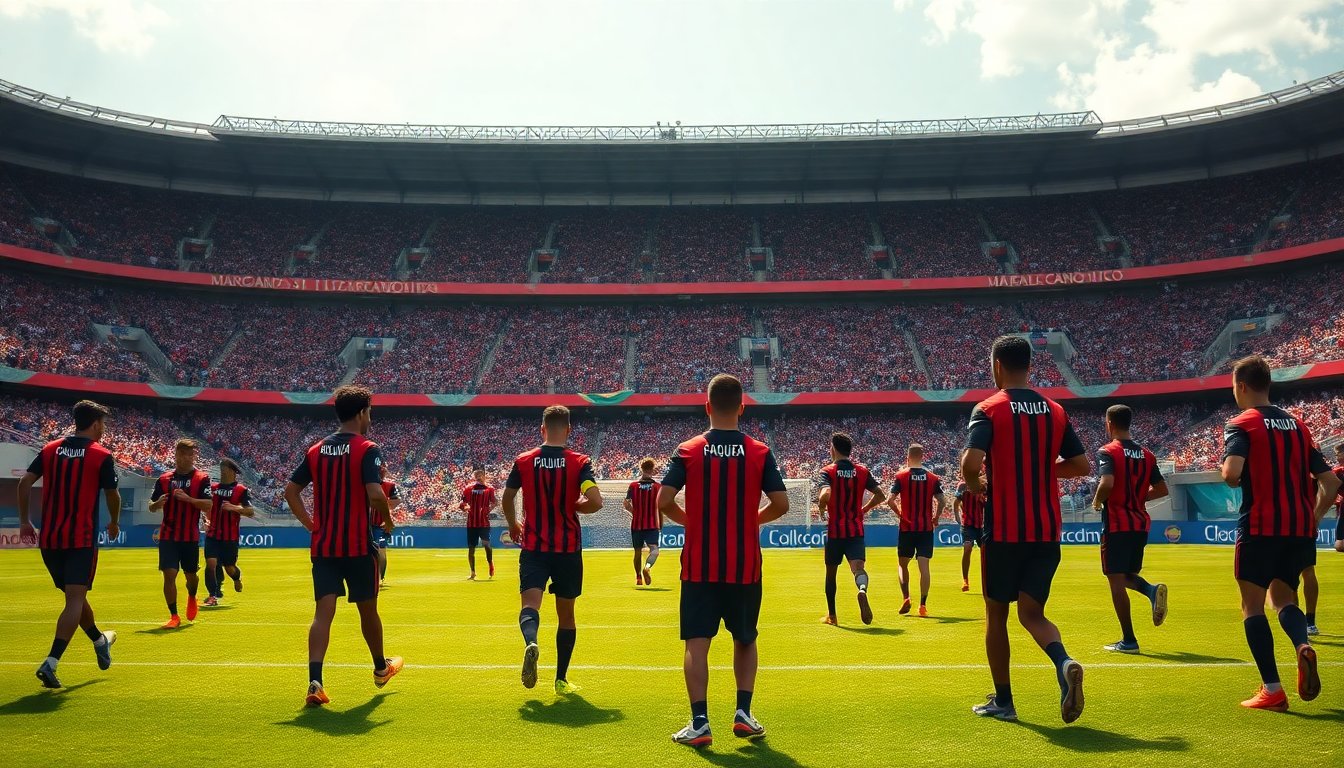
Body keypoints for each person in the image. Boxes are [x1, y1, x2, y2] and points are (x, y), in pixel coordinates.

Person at [962, 335, 1091, 724]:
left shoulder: (988, 408)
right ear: (1029, 365)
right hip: (1046, 530)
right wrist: (1038, 469)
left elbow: (971, 462)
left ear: (997, 365)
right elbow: (1081, 465)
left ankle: (1004, 700)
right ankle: (1063, 661)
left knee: (996, 616)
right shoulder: (1055, 410)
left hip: (1003, 531)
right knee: (1033, 614)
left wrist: (975, 485)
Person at [661, 374, 790, 748]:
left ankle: (700, 722)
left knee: (696, 642)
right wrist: (752, 519)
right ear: (742, 407)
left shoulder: (688, 450)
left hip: (700, 563)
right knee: (745, 639)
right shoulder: (760, 451)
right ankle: (744, 714)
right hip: (744, 563)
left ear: (707, 406)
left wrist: (696, 523)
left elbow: (664, 501)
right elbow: (781, 504)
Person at [1220, 356, 1339, 711]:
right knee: (1285, 601)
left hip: (1259, 527)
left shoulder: (1241, 423)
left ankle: (1272, 689)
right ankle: (1302, 645)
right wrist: (1315, 518)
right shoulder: (1299, 427)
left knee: (1252, 607)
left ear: (1241, 386)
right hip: (1298, 528)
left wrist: (1224, 466)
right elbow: (1330, 483)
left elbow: (1231, 474)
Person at [284, 385, 403, 707]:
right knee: (368, 611)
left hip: (324, 547)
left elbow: (291, 491)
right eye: (371, 412)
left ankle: (315, 681)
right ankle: (381, 667)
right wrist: (388, 522)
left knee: (323, 613)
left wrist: (311, 525)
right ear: (363, 412)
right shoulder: (367, 448)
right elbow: (377, 495)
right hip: (356, 546)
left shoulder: (315, 450)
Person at [17, 400, 120, 689]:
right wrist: (114, 520)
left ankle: (100, 641)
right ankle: (51, 662)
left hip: (50, 538)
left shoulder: (50, 449)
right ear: (96, 423)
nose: (104, 429)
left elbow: (24, 483)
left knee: (75, 598)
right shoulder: (101, 455)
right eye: (103, 423)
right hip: (80, 538)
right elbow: (112, 494)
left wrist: (24, 521)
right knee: (75, 599)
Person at [502, 405, 603, 695]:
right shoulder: (579, 462)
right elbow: (595, 501)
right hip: (567, 548)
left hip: (534, 546)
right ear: (569, 430)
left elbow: (507, 497)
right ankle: (560, 679)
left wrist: (513, 525)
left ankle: (531, 642)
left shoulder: (523, 461)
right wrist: (574, 505)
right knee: (566, 615)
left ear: (542, 429)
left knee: (530, 605)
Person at [1091, 405, 1170, 654]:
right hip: (1139, 524)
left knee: (1115, 581)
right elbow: (1161, 490)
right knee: (1124, 575)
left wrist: (1097, 501)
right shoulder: (1147, 455)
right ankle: (1150, 590)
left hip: (1116, 524)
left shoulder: (1108, 451)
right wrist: (1137, 498)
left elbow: (1107, 483)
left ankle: (1129, 640)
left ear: (1109, 423)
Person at [816, 432, 885, 625]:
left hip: (836, 532)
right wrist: (865, 508)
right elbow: (880, 495)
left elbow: (825, 495)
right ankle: (862, 590)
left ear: (833, 449)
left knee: (831, 574)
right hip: (855, 530)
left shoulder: (827, 471)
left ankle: (832, 616)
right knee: (858, 569)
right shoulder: (862, 471)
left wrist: (822, 508)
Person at [148, 439, 213, 629]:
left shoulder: (202, 479)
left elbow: (208, 504)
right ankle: (174, 616)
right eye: (182, 454)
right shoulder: (164, 479)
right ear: (175, 455)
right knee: (169, 574)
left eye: (190, 454)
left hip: (189, 537)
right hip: (168, 535)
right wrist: (157, 504)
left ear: (194, 456)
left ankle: (192, 596)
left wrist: (189, 499)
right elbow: (152, 506)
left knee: (191, 576)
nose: (186, 458)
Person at [887, 445, 945, 617]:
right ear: (922, 456)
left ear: (908, 457)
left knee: (902, 564)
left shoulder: (901, 476)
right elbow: (942, 501)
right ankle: (922, 606)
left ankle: (906, 597)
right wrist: (936, 518)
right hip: (925, 528)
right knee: (924, 566)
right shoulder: (932, 478)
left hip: (907, 528)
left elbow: (890, 500)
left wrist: (900, 515)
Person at [203, 458, 255, 607]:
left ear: (232, 471)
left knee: (229, 567)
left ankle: (236, 579)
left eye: (224, 469)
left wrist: (234, 508)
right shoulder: (212, 488)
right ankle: (212, 596)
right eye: (221, 470)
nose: (222, 473)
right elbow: (206, 506)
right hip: (212, 535)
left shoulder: (241, 490)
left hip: (229, 537)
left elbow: (250, 511)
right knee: (210, 563)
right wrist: (205, 520)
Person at [625, 458, 663, 587]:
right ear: (652, 470)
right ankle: (647, 567)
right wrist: (660, 523)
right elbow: (661, 506)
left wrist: (635, 513)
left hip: (637, 525)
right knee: (654, 551)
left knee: (637, 552)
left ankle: (638, 578)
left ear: (641, 469)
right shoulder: (658, 487)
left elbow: (626, 503)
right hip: (652, 524)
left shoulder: (633, 486)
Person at [460, 466, 497, 580]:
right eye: (476, 475)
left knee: (486, 545)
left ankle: (490, 563)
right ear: (474, 476)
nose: (478, 477)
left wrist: (488, 510)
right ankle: (472, 573)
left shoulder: (489, 488)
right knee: (471, 548)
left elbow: (495, 502)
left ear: (484, 475)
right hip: (471, 523)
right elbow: (462, 503)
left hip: (484, 523)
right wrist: (465, 508)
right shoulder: (468, 488)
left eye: (480, 474)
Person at [954, 475, 985, 592]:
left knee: (986, 552)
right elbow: (956, 502)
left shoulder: (983, 485)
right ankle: (965, 580)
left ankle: (988, 580)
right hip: (967, 525)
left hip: (980, 526)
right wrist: (957, 518)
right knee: (967, 548)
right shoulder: (962, 485)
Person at [372, 465, 401, 586]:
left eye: (384, 469)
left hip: (381, 526)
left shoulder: (389, 486)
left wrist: (387, 516)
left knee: (381, 550)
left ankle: (379, 578)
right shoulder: (364, 485)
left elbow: (396, 500)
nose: (382, 472)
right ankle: (370, 577)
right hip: (364, 524)